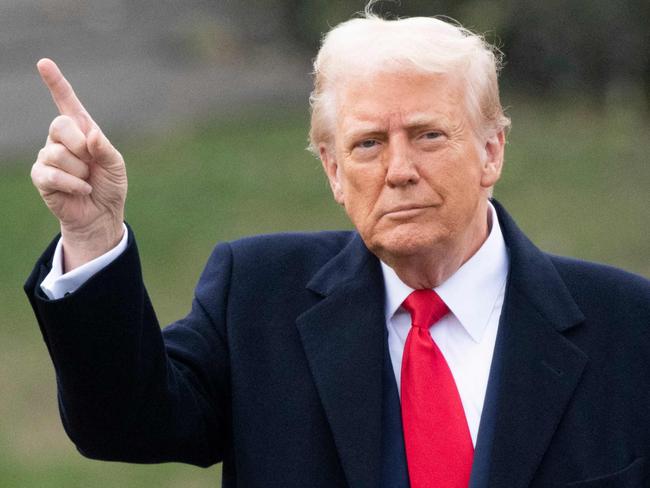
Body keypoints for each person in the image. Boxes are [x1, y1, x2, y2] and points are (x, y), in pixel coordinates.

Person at [25, 7, 650, 488]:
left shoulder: (629, 325)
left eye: (429, 135)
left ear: (492, 150)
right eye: (368, 144)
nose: (399, 169)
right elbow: (123, 422)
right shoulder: (257, 296)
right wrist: (92, 234)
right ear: (331, 170)